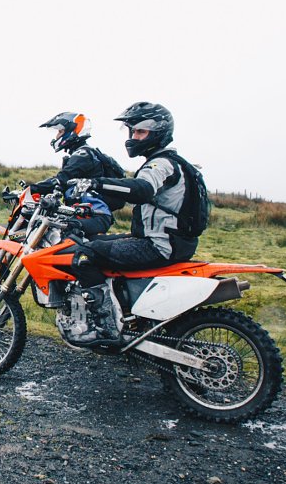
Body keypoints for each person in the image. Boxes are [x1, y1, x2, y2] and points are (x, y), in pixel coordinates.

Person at [63, 102, 201, 345]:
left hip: (159, 245)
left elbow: (142, 189)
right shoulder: (173, 162)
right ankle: (128, 315)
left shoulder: (161, 163)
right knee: (94, 242)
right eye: (132, 132)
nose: (133, 137)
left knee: (84, 255)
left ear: (158, 132)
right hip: (171, 242)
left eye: (140, 132)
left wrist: (97, 183)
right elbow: (130, 194)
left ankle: (105, 327)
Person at [30, 112, 123, 238]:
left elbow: (60, 180)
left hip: (95, 216)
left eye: (60, 132)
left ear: (73, 131)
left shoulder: (83, 155)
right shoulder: (82, 154)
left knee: (63, 233)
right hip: (86, 214)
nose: (57, 136)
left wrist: (30, 189)